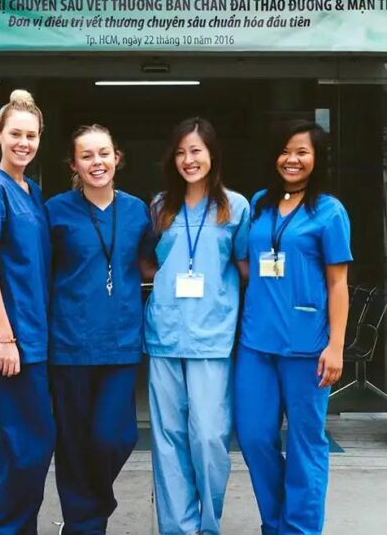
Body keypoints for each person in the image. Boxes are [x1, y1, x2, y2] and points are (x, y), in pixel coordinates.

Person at [234, 120, 352, 535]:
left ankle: (299, 528)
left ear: (316, 158)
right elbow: (246, 262)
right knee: (252, 435)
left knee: (306, 444)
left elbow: (338, 283)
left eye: (302, 151)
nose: (292, 159)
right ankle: (276, 520)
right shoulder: (261, 203)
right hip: (256, 343)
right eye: (285, 150)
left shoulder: (329, 211)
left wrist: (336, 346)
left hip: (307, 347)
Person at [45, 125, 154, 535]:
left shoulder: (137, 210)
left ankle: (97, 500)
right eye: (87, 156)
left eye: (104, 154)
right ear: (74, 164)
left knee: (115, 435)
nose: (97, 163)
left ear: (117, 158)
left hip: (122, 342)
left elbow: (148, 263)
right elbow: (40, 272)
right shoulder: (55, 211)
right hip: (69, 343)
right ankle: (82, 524)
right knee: (73, 442)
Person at [144, 117, 249, 535]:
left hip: (212, 335)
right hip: (165, 333)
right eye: (181, 151)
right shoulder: (159, 206)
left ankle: (209, 525)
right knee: (168, 440)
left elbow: (244, 267)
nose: (189, 159)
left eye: (197, 150)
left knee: (208, 437)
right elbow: (147, 260)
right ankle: (177, 528)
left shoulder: (235, 207)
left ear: (212, 154)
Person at [0, 89, 55, 535]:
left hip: (33, 335)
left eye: (31, 135)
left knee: (22, 446)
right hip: (11, 340)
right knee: (32, 446)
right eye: (15, 133)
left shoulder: (30, 190)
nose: (23, 142)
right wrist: (5, 337)